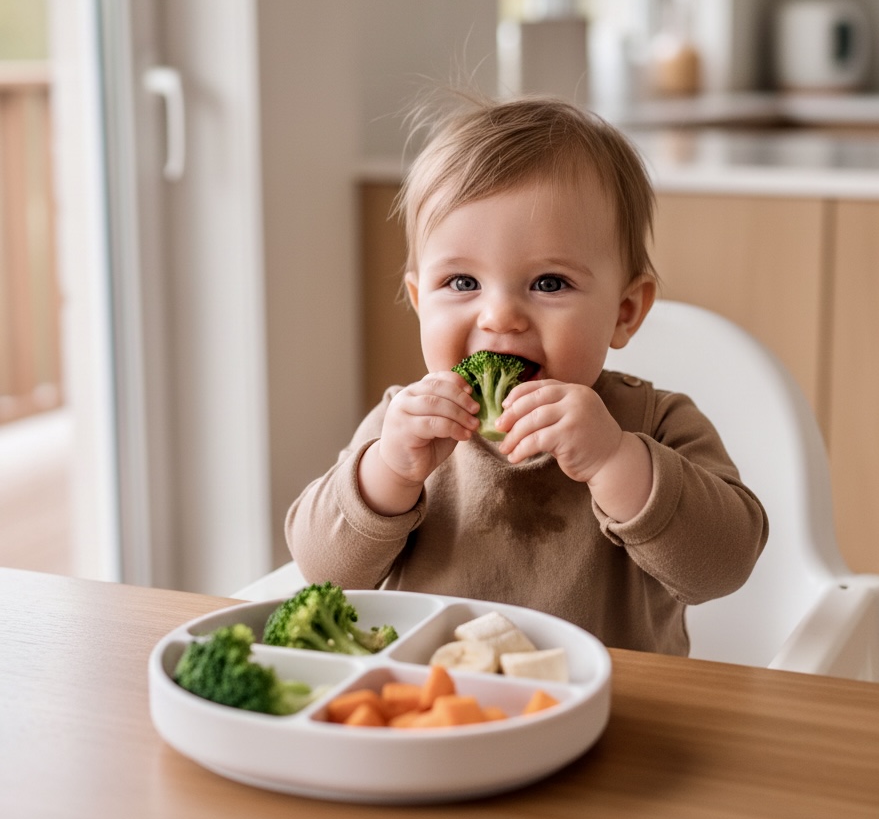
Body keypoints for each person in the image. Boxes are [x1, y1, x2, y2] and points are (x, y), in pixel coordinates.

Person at [285, 93, 767, 655]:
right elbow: (321, 573)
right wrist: (389, 473)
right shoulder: (402, 426)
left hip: (613, 702)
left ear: (624, 311)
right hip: (438, 697)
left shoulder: (657, 422)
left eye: (549, 283)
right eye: (462, 283)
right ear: (420, 301)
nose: (499, 317)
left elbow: (724, 567)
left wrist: (615, 460)